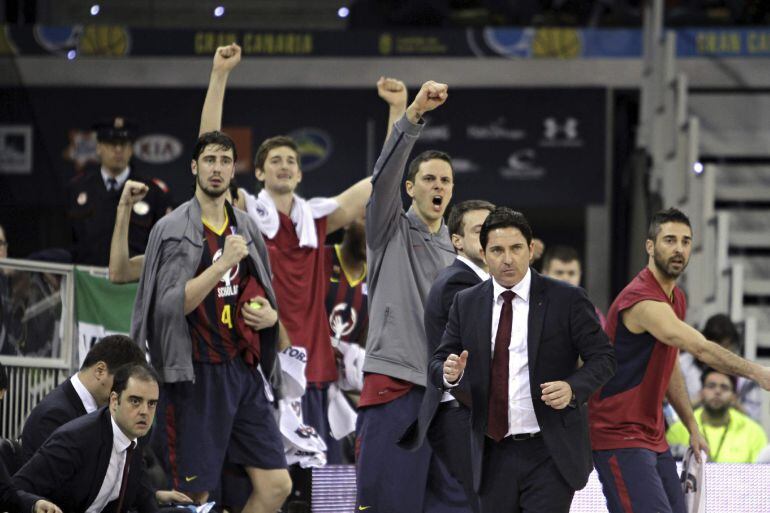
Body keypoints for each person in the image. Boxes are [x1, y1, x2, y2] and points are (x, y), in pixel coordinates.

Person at [197, 44, 374, 462]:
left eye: (291, 161)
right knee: (263, 476)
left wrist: (403, 113)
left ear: (299, 172)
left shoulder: (316, 218)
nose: (284, 166)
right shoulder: (245, 211)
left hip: (313, 371)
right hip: (259, 361)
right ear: (258, 172)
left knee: (322, 486)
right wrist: (219, 76)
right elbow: (209, 152)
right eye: (274, 160)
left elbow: (376, 184)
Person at [131, 131, 291, 513]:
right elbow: (171, 306)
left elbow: (265, 294)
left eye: (224, 160)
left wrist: (270, 317)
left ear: (234, 169)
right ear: (194, 167)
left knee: (277, 485)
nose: (216, 168)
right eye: (208, 160)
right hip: (195, 374)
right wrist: (222, 265)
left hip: (242, 371)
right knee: (193, 496)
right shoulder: (171, 229)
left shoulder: (246, 227)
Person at [431, 207, 615, 512]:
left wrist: (573, 388)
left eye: (516, 248)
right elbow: (439, 360)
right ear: (484, 253)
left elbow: (604, 357)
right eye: (498, 250)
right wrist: (450, 373)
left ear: (530, 250)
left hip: (550, 452)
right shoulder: (466, 303)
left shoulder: (567, 299)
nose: (507, 259)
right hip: (492, 454)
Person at [589, 207, 770, 513]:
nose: (679, 249)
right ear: (650, 246)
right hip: (619, 434)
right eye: (669, 240)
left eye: (686, 242)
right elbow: (700, 349)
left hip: (651, 434)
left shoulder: (676, 298)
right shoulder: (643, 300)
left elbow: (669, 366)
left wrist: (691, 426)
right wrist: (757, 372)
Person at [356, 78, 469, 513]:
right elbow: (384, 175)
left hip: (446, 400)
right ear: (410, 188)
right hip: (396, 388)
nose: (437, 186)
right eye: (428, 179)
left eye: (445, 180)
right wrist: (412, 115)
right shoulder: (389, 230)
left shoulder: (460, 255)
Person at [403, 199, 495, 513]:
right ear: (456, 240)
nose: (490, 240)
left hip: (468, 413)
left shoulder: (480, 282)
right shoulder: (460, 283)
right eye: (480, 231)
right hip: (462, 412)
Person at [13, 363, 161, 513]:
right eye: (135, 401)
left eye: (152, 403)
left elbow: (143, 498)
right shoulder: (77, 439)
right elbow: (16, 489)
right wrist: (36, 504)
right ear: (114, 401)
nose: (144, 412)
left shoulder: (137, 436)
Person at [21, 334, 147, 461]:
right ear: (100, 371)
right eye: (123, 383)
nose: (126, 392)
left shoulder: (107, 412)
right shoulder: (53, 417)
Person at [66, 116, 172, 266]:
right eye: (111, 143)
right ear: (98, 147)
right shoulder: (77, 188)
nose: (118, 149)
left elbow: (165, 245)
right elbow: (67, 242)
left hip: (134, 284)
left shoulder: (152, 191)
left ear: (131, 149)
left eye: (124, 144)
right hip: (87, 282)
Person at [667, 368, 767, 463]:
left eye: (724, 387)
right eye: (711, 386)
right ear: (701, 393)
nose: (717, 391)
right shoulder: (679, 428)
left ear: (734, 396)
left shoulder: (754, 432)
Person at [679, 313, 761, 419]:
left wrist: (735, 404)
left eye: (727, 349)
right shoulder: (682, 364)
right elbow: (668, 414)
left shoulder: (747, 374)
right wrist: (697, 401)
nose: (722, 358)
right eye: (716, 351)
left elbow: (755, 420)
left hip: (732, 432)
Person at [541, 244, 606, 328]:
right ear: (544, 274)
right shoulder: (529, 308)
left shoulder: (592, 314)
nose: (565, 278)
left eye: (571, 273)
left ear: (580, 275)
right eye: (559, 272)